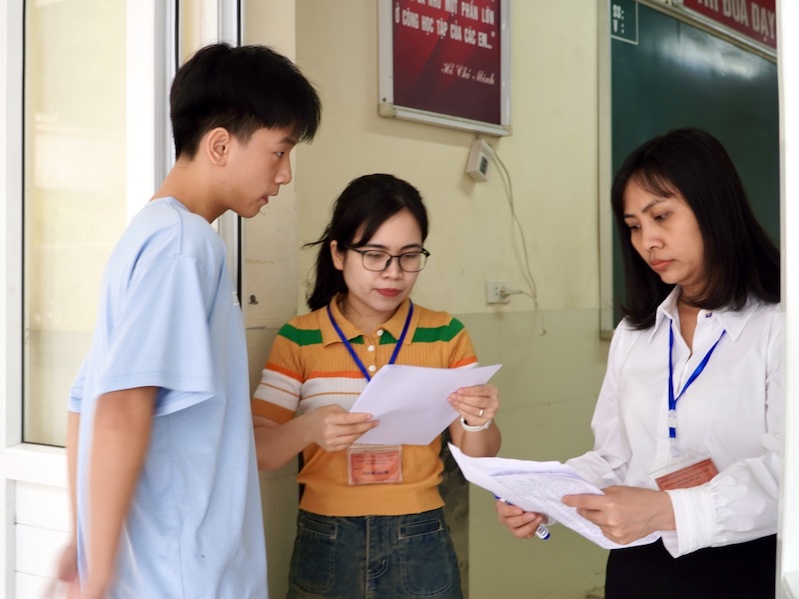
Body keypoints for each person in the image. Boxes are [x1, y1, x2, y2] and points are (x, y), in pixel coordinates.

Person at [57, 43, 321, 598]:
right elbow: (121, 405)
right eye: (279, 152)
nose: (285, 175)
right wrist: (94, 569)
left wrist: (85, 541)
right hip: (184, 576)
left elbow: (85, 404)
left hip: (161, 567)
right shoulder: (184, 245)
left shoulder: (146, 236)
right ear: (220, 145)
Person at [495, 128, 781, 598]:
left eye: (661, 216)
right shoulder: (636, 332)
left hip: (745, 561)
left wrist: (666, 510)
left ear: (713, 207)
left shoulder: (778, 325)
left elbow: (787, 472)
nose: (648, 241)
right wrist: (547, 495)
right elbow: (615, 456)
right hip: (640, 561)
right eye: (633, 226)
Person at [251, 173, 501, 599]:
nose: (393, 273)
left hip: (420, 534)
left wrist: (478, 420)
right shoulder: (299, 338)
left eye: (409, 256)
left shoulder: (445, 334)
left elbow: (479, 455)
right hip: (327, 537)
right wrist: (309, 428)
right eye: (375, 255)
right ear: (338, 254)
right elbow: (259, 452)